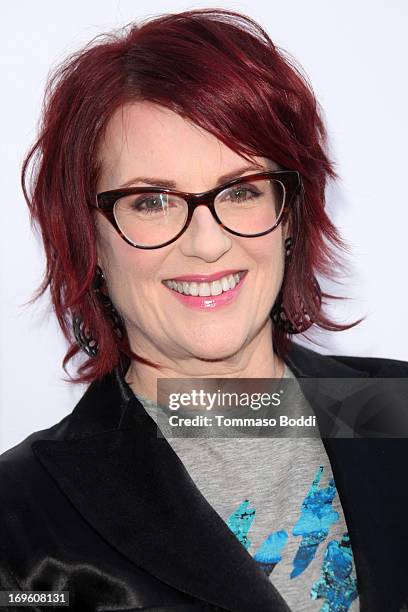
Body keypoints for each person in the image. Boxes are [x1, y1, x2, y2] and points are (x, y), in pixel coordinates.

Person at [0, 7, 407, 612]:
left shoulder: (397, 412)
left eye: (240, 190)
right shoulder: (18, 520)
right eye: (152, 201)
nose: (208, 242)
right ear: (90, 237)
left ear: (289, 211)